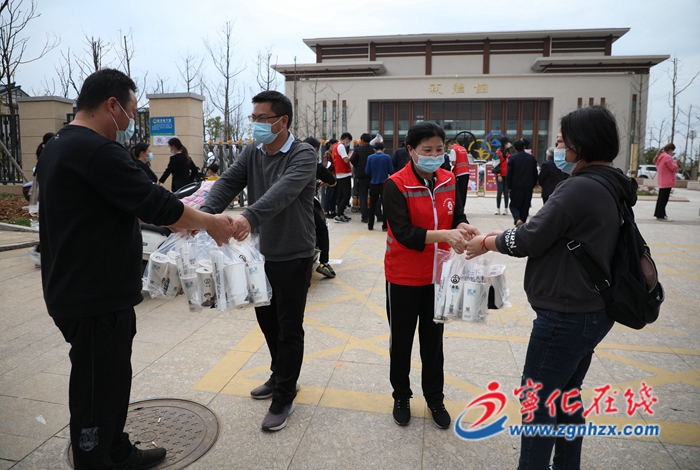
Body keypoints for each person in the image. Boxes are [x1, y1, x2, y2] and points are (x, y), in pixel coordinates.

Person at [36, 68, 234, 470]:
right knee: (96, 389)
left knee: (110, 379)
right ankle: (94, 458)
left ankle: (116, 449)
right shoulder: (96, 150)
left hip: (78, 288)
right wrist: (211, 223)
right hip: (94, 296)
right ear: (112, 106)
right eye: (129, 110)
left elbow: (117, 203)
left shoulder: (59, 144)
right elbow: (156, 202)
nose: (129, 121)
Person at [466, 105, 634, 470]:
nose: (557, 149)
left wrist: (488, 242)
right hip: (592, 308)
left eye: (561, 142)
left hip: (566, 315)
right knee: (567, 397)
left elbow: (530, 238)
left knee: (539, 404)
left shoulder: (579, 187)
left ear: (580, 145)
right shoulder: (611, 182)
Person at [200, 90, 317, 432]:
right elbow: (228, 182)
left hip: (293, 253)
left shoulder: (303, 154)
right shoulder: (253, 151)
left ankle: (284, 396)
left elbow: (283, 191)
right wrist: (205, 214)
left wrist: (248, 217)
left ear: (283, 121)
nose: (255, 125)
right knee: (268, 322)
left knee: (289, 327)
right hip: (259, 254)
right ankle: (280, 375)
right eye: (253, 118)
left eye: (262, 119)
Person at [383, 121, 480, 429]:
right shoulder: (396, 184)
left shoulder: (448, 179)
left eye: (439, 149)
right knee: (401, 340)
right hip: (403, 275)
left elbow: (457, 214)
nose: (434, 155)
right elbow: (404, 233)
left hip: (439, 275)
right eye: (427, 150)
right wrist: (445, 235)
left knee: (433, 341)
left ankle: (435, 398)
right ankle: (401, 395)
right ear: (410, 150)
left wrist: (462, 226)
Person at [305, 137, 337, 279]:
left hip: (285, 203)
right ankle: (324, 262)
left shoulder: (289, 160)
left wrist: (317, 184)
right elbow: (332, 181)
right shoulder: (313, 163)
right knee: (322, 229)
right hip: (307, 203)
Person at [26, 132, 55, 267]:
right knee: (50, 227)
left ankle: (40, 252)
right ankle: (38, 251)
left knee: (49, 227)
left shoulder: (44, 154)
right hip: (48, 196)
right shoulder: (49, 155)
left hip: (43, 196)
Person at [507, 138, 538, 226]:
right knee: (525, 206)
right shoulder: (531, 158)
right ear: (524, 147)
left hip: (516, 186)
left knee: (514, 205)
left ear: (515, 148)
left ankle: (518, 219)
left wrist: (509, 186)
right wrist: (533, 184)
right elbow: (535, 173)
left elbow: (509, 173)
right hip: (528, 186)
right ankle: (522, 223)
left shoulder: (512, 158)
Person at [365, 141, 393, 231]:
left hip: (373, 183)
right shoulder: (387, 157)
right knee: (385, 205)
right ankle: (385, 226)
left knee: (372, 205)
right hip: (384, 184)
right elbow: (391, 171)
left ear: (374, 149)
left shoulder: (370, 157)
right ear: (384, 149)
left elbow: (367, 171)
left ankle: (370, 225)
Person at [350, 133, 374, 223]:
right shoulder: (373, 149)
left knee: (363, 196)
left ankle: (364, 217)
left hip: (361, 176)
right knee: (373, 196)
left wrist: (357, 166)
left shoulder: (358, 150)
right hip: (372, 176)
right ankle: (375, 215)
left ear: (362, 141)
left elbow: (352, 159)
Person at [653, 143, 679, 221]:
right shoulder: (667, 157)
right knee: (664, 199)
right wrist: (676, 163)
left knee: (661, 198)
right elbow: (673, 168)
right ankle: (661, 215)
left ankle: (659, 213)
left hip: (662, 180)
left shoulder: (660, 157)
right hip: (667, 180)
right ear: (670, 150)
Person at [538, 139, 568, 204]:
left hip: (548, 190)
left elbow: (542, 177)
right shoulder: (563, 163)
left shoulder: (546, 164)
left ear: (549, 155)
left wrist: (540, 183)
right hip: (560, 189)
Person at [332, 132, 353, 223]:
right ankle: (339, 215)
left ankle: (340, 213)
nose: (348, 143)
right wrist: (350, 155)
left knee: (341, 195)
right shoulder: (341, 146)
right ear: (346, 138)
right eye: (348, 141)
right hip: (344, 173)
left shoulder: (335, 146)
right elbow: (346, 160)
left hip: (339, 173)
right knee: (346, 195)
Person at [448, 139, 470, 207]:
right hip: (466, 172)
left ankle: (459, 208)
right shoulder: (463, 149)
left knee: (458, 192)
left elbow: (454, 162)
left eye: (448, 146)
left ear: (449, 144)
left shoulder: (453, 150)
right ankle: (462, 207)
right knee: (464, 191)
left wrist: (450, 162)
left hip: (459, 172)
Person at [493, 137, 510, 215]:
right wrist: (498, 174)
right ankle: (498, 208)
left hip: (507, 175)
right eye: (507, 143)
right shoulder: (498, 153)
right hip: (500, 175)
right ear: (504, 144)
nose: (508, 144)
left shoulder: (508, 153)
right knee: (499, 191)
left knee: (506, 192)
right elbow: (495, 164)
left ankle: (506, 208)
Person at [322, 138, 338, 218]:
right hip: (330, 176)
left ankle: (332, 210)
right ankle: (326, 211)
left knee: (334, 194)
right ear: (331, 145)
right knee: (329, 194)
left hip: (334, 176)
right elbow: (326, 165)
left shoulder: (334, 153)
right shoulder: (327, 153)